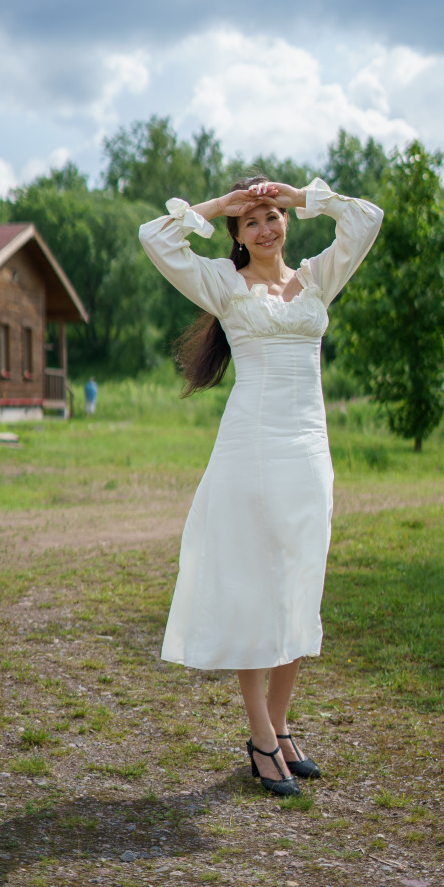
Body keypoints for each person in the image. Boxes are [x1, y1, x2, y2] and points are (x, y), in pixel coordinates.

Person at [139, 174, 383, 797]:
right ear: (238, 237)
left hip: (308, 452)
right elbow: (156, 239)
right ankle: (259, 737)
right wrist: (219, 205)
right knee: (255, 586)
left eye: (273, 216)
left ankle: (279, 724)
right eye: (252, 221)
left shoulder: (318, 277)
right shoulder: (225, 285)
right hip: (250, 451)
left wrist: (300, 195)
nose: (266, 227)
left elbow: (367, 219)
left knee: (300, 582)